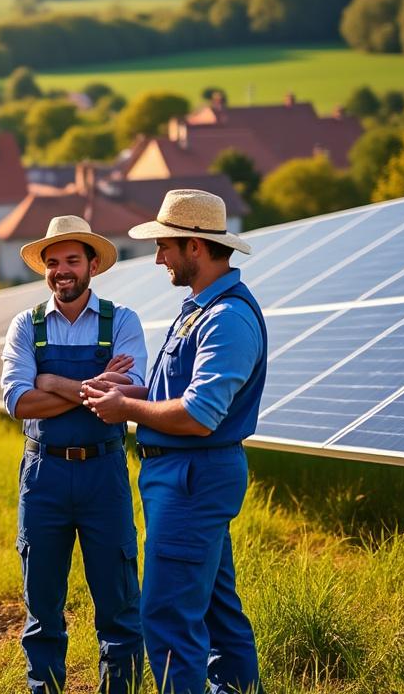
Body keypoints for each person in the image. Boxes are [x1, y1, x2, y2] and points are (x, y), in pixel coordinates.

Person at [83, 189, 266, 694]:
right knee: (216, 612)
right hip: (186, 478)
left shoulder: (227, 319)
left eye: (165, 246)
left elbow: (201, 415)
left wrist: (126, 410)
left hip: (193, 479)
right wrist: (133, 390)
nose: (158, 257)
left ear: (194, 247)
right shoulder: (200, 308)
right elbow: (181, 395)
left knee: (166, 618)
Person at [0, 215, 147, 693]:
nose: (62, 270)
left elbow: (126, 396)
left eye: (71, 261)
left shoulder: (122, 320)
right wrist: (92, 385)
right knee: (42, 605)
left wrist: (51, 381)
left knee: (119, 604)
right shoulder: (26, 325)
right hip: (43, 474)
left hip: (104, 471)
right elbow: (18, 402)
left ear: (91, 266)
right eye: (53, 262)